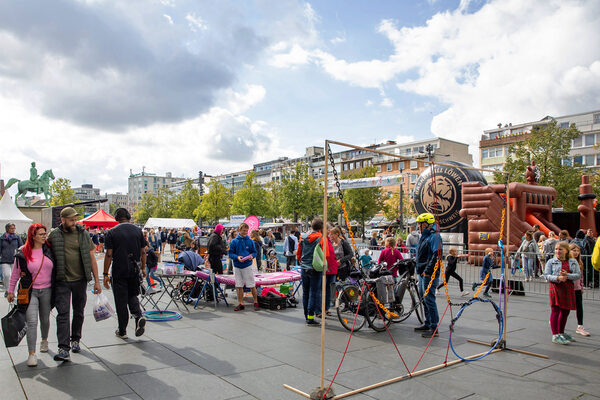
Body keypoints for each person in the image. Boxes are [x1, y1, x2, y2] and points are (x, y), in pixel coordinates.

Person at [47, 207, 102, 362]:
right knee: (63, 313)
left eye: (75, 219)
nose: (74, 222)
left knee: (78, 311)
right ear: (62, 220)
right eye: (71, 219)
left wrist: (97, 281)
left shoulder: (83, 234)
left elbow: (92, 258)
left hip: (80, 280)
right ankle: (63, 348)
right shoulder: (54, 235)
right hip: (62, 281)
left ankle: (75, 339)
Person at [7, 223, 54, 367]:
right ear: (32, 236)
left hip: (47, 290)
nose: (44, 237)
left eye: (44, 234)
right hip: (30, 291)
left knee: (45, 319)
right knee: (32, 322)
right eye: (41, 234)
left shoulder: (49, 250)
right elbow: (15, 273)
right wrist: (10, 290)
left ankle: (44, 339)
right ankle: (32, 354)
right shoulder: (22, 252)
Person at [103, 208, 147, 340]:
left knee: (121, 301)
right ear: (128, 217)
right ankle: (138, 316)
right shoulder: (138, 231)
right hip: (134, 269)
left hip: (119, 269)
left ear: (116, 218)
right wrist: (143, 268)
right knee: (132, 295)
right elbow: (143, 252)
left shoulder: (112, 232)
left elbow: (109, 254)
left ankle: (122, 330)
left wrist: (105, 273)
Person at [297, 218, 334, 326]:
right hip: (315, 268)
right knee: (314, 292)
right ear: (321, 228)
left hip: (304, 268)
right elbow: (326, 255)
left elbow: (299, 253)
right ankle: (310, 317)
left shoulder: (302, 237)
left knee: (305, 293)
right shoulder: (321, 238)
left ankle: (306, 316)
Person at [544, 241, 580, 345]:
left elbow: (578, 275)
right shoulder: (551, 262)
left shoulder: (572, 261)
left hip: (567, 288)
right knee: (555, 310)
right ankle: (555, 335)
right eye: (556, 249)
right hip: (556, 287)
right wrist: (558, 278)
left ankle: (561, 332)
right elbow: (546, 275)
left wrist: (567, 275)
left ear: (566, 250)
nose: (557, 251)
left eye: (560, 249)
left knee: (565, 311)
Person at [413, 213, 442, 338]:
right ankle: (428, 322)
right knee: (423, 298)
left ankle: (434, 327)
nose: (418, 226)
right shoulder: (424, 236)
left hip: (429, 274)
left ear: (425, 224)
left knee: (429, 299)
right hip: (421, 272)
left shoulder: (434, 236)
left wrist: (428, 270)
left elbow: (437, 254)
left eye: (419, 224)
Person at [228, 223, 260, 312]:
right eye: (244, 230)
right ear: (239, 230)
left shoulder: (250, 241)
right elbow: (230, 254)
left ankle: (256, 301)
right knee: (239, 285)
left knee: (252, 284)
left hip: (247, 265)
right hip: (237, 266)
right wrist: (237, 257)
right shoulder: (234, 241)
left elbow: (254, 252)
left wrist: (251, 256)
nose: (245, 232)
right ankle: (241, 303)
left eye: (246, 230)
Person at [316, 226, 340, 317]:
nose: (329, 231)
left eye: (329, 230)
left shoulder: (329, 240)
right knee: (322, 289)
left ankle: (326, 308)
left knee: (329, 290)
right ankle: (320, 309)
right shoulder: (322, 239)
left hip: (332, 268)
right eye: (327, 229)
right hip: (326, 268)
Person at [568, 243, 590, 336]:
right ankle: (556, 319)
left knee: (579, 307)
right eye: (574, 250)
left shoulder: (579, 262)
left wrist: (581, 286)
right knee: (565, 307)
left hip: (577, 288)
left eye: (577, 251)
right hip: (568, 288)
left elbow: (581, 276)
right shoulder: (567, 262)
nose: (576, 253)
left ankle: (580, 326)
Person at [1, 223, 24, 297]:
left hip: (15, 260)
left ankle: (14, 292)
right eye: (11, 228)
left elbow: (21, 247)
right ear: (7, 229)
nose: (13, 230)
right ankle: (8, 290)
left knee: (15, 276)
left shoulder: (17, 237)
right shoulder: (2, 238)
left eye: (14, 228)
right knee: (7, 275)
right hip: (5, 259)